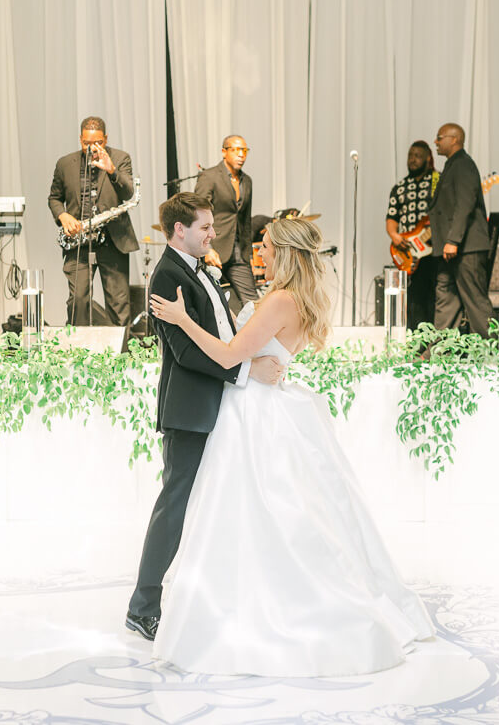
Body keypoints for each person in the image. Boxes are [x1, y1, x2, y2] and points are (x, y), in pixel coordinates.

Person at [145, 217, 435, 677]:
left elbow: (225, 355)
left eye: (265, 246)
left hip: (253, 415)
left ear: (284, 251)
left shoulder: (279, 300)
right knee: (269, 516)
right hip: (266, 405)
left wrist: (181, 320)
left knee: (250, 514)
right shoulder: (294, 299)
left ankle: (254, 608)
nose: (258, 253)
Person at [125, 192, 286, 642]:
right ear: (180, 230)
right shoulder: (166, 277)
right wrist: (246, 368)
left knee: (208, 506)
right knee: (174, 506)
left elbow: (222, 331)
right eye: (205, 228)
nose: (214, 234)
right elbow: (185, 352)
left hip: (217, 406)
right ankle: (142, 606)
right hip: (189, 410)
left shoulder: (197, 267)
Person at [48, 116, 137, 326]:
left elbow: (129, 193)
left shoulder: (121, 158)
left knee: (118, 304)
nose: (91, 148)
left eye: (97, 143)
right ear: (80, 139)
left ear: (105, 139)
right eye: (86, 143)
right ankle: (76, 351)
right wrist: (63, 215)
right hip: (78, 240)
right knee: (78, 300)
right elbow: (54, 198)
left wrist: (112, 170)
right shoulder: (64, 164)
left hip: (113, 240)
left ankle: (120, 355)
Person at [430, 123, 492, 337]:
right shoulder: (452, 165)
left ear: (454, 139)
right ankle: (440, 350)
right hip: (451, 248)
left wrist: (453, 240)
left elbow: (465, 204)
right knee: (445, 298)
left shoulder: (464, 165)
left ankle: (492, 351)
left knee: (475, 301)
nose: (435, 142)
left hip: (466, 247)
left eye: (439, 137)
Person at [191, 135, 258, 314]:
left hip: (238, 251)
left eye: (244, 150)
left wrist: (248, 254)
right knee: (212, 304)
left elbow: (245, 221)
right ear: (224, 152)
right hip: (213, 247)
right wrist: (207, 248)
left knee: (253, 303)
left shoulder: (247, 181)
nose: (241, 155)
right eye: (236, 150)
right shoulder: (209, 176)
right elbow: (198, 214)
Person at [385, 140, 439, 330]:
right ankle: (414, 341)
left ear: (428, 158)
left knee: (434, 298)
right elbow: (392, 216)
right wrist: (394, 235)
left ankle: (435, 342)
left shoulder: (438, 181)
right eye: (410, 155)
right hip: (408, 251)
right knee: (413, 299)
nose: (412, 160)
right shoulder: (400, 187)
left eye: (417, 156)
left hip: (434, 250)